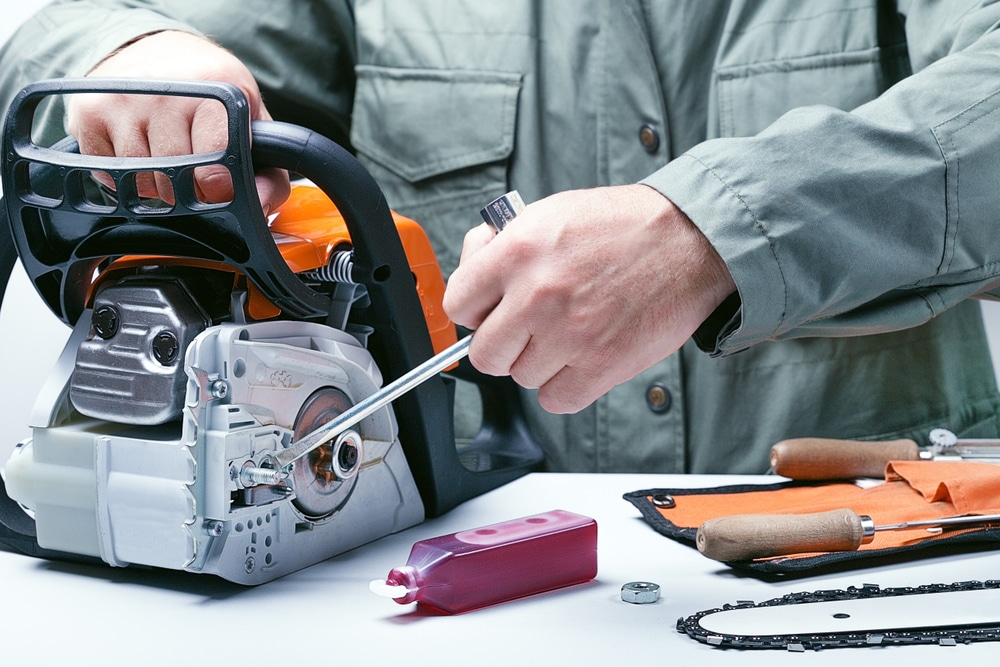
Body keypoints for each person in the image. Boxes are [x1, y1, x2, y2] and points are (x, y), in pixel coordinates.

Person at [1, 0, 999, 475]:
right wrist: (131, 50)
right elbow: (78, 35)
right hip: (456, 575)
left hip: (889, 553)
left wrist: (710, 231)